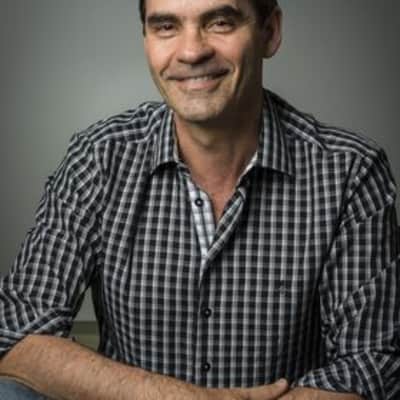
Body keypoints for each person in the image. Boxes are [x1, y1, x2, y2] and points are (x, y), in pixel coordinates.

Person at [0, 0, 399, 398]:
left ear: (270, 32)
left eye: (220, 22)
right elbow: (15, 333)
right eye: (166, 27)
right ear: (146, 39)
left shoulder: (350, 172)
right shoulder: (99, 158)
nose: (191, 52)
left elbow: (373, 362)